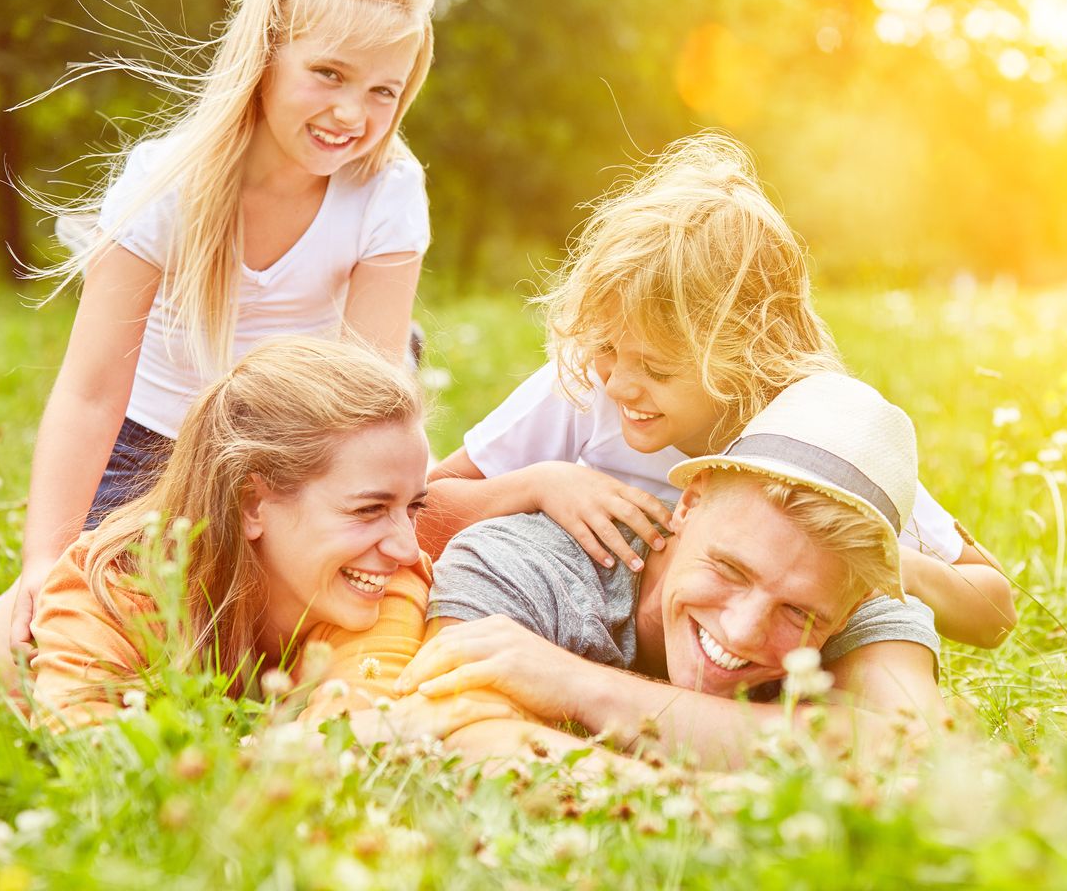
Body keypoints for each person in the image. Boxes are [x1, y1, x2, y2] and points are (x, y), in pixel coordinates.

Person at [12, 0, 437, 658]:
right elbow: (90, 395)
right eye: (328, 74)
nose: (350, 114)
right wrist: (41, 565)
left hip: (303, 447)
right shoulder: (169, 182)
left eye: (381, 91)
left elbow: (368, 399)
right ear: (267, 55)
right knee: (129, 616)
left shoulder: (387, 191)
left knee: (310, 616)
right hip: (156, 447)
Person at [419, 132, 1016, 648]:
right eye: (606, 347)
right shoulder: (581, 386)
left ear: (745, 355)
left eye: (656, 369)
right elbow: (416, 511)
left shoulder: (812, 432)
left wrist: (865, 555)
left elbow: (993, 610)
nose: (620, 382)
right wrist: (538, 484)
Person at [396, 373, 946, 768]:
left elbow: (913, 757)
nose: (742, 631)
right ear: (689, 503)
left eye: (798, 612)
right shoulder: (523, 562)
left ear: (852, 607)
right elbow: (455, 732)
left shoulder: (855, 602)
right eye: (731, 569)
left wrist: (580, 687)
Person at [0, 337, 511, 737]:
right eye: (369, 508)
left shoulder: (388, 584)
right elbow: (89, 753)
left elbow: (357, 740)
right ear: (251, 502)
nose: (403, 546)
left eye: (413, 507)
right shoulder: (112, 585)